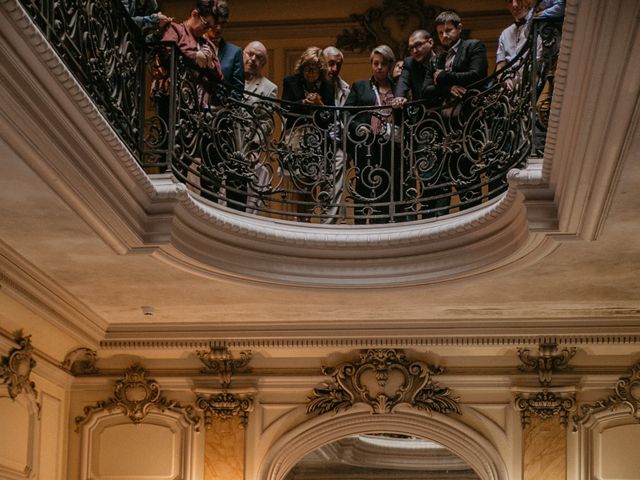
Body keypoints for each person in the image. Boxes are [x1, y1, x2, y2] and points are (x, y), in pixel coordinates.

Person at [345, 45, 401, 223]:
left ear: (390, 65)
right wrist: (357, 127)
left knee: (386, 184)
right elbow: (345, 112)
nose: (379, 67)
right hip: (366, 144)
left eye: (383, 63)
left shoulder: (398, 88)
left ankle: (381, 224)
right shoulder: (360, 86)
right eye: (375, 63)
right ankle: (360, 224)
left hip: (391, 145)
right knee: (363, 184)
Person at [281, 47, 335, 219]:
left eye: (315, 70)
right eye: (308, 69)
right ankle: (298, 219)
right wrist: (304, 102)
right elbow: (284, 109)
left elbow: (331, 117)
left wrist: (320, 105)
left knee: (312, 180)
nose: (311, 73)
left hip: (318, 139)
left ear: (321, 71)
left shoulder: (327, 86)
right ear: (302, 68)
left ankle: (308, 218)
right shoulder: (290, 81)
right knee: (297, 181)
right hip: (296, 136)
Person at [242, 41, 278, 213]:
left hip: (247, 144)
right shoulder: (228, 77)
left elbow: (267, 121)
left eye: (259, 58)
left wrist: (255, 145)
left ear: (263, 64)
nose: (253, 59)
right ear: (243, 54)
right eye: (250, 54)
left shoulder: (269, 87)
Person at [432, 11, 488, 102]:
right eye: (440, 33)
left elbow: (477, 75)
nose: (444, 36)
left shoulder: (474, 46)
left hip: (471, 106)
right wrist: (449, 88)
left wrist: (443, 75)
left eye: (448, 30)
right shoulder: (439, 58)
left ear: (459, 28)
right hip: (442, 112)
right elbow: (426, 89)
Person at [205, 0, 245, 95]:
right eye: (216, 22)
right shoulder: (192, 44)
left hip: (221, 108)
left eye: (223, 23)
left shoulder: (235, 52)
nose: (219, 28)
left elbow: (238, 90)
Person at [393, 30, 438, 107]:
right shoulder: (409, 62)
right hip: (421, 115)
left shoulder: (443, 59)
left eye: (418, 45)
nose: (414, 51)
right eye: (411, 48)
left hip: (443, 112)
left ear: (430, 42)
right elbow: (403, 81)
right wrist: (399, 97)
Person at [496, 0, 534, 73]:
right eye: (510, 1)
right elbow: (500, 66)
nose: (514, 5)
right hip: (509, 80)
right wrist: (504, 79)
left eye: (519, 0)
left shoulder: (538, 26)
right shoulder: (505, 34)